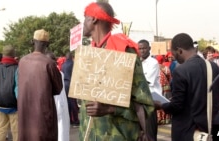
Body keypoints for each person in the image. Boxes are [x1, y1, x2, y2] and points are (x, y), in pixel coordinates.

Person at [79, 2, 155, 140]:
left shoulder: (122, 50)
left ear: (94, 18)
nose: (82, 23)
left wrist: (109, 109)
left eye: (85, 17)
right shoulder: (89, 54)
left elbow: (144, 105)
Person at [155, 33, 219, 141]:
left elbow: (177, 106)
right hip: (213, 127)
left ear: (180, 51)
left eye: (174, 54)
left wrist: (161, 105)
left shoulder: (181, 71)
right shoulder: (214, 67)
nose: (173, 57)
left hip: (190, 132)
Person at [17, 29, 63, 141]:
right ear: (47, 44)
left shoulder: (22, 61)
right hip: (42, 114)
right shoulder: (49, 63)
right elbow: (58, 88)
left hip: (25, 113)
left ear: (33, 42)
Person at [0, 45, 18, 141]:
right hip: (14, 107)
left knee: (0, 131)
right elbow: (18, 89)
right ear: (14, 55)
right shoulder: (17, 68)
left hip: (0, 106)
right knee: (17, 132)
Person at [138, 39, 161, 140]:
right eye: (140, 48)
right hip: (139, 100)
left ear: (149, 49)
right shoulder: (138, 62)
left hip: (150, 100)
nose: (142, 51)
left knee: (149, 132)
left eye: (144, 48)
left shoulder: (153, 63)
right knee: (140, 133)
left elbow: (147, 81)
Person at [46, 52, 70, 141]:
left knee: (59, 128)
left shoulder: (52, 73)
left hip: (56, 103)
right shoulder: (59, 72)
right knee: (62, 128)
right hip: (60, 103)